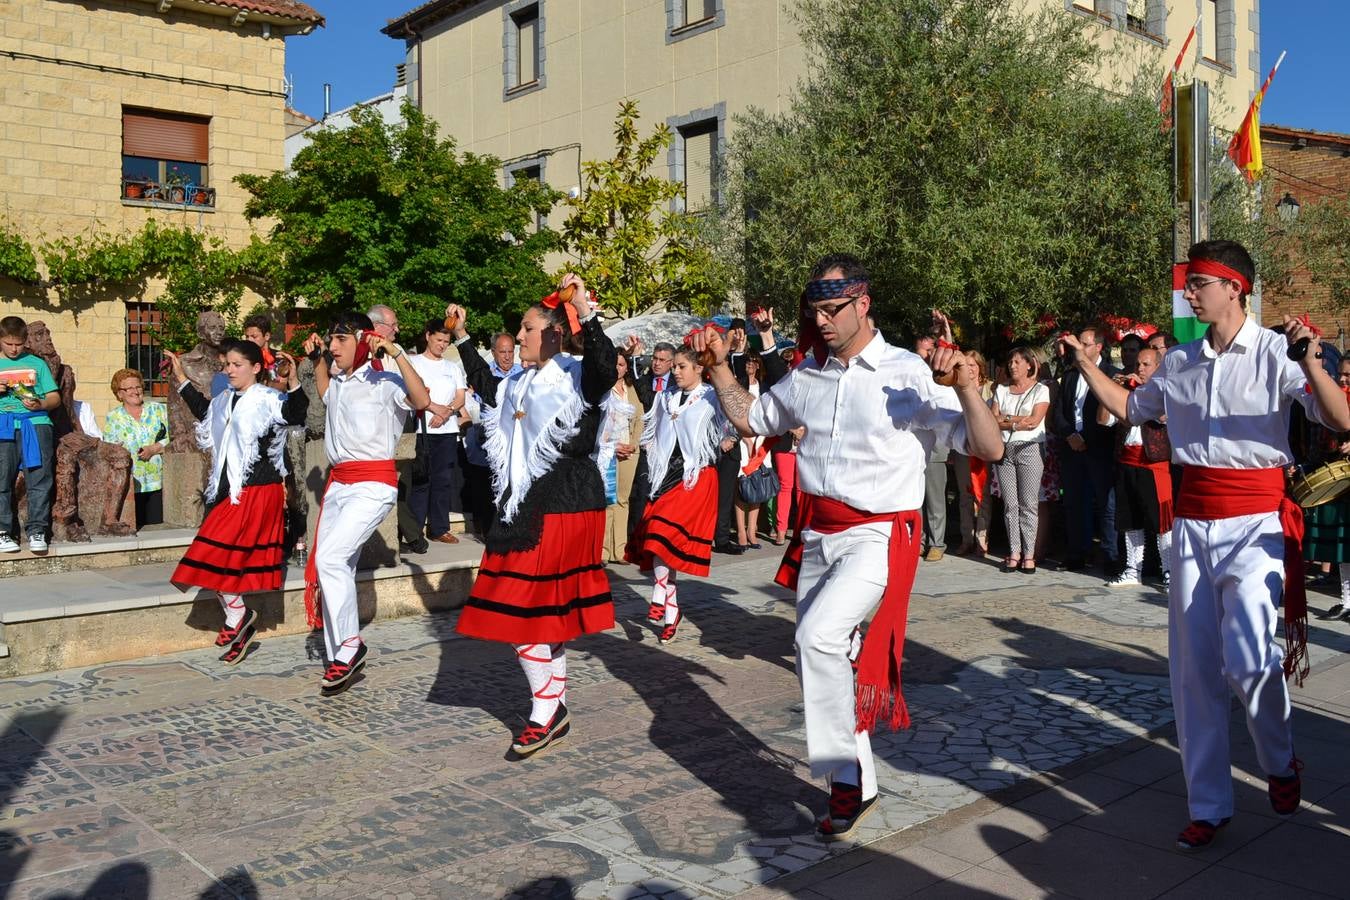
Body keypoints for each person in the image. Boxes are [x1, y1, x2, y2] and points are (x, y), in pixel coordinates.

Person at [692, 254, 1003, 840]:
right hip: (817, 535)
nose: (824, 321)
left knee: (817, 638)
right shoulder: (806, 375)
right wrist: (719, 371)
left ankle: (842, 781)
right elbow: (752, 419)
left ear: (863, 304)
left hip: (881, 534)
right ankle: (858, 776)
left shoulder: (909, 372)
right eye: (817, 310)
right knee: (824, 659)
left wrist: (965, 387)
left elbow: (988, 449)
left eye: (835, 309)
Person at [1059, 239, 1350, 851]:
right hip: (1192, 524)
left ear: (1234, 288)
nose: (1188, 292)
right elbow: (1132, 408)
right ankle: (1209, 803)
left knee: (1249, 661)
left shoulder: (1277, 352)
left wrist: (1314, 364)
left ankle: (1279, 758)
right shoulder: (1181, 360)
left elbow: (1340, 421)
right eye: (1189, 283)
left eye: (1199, 283)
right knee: (1192, 672)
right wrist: (1087, 364)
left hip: (1255, 522)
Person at [448, 277, 617, 756]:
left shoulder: (577, 373)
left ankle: (546, 711)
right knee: (539, 615)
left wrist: (584, 307)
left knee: (524, 613)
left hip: (564, 503)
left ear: (554, 334)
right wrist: (462, 338)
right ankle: (553, 706)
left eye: (526, 329)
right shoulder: (518, 381)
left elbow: (605, 365)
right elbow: (486, 385)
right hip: (524, 505)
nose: (518, 337)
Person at [301, 313, 430, 695]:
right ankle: (339, 652)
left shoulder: (385, 378)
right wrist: (317, 360)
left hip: (372, 484)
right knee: (332, 563)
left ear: (361, 339)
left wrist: (396, 353)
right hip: (340, 484)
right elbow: (325, 393)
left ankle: (349, 647)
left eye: (340, 339)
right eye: (330, 338)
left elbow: (421, 399)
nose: (333, 345)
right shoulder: (340, 381)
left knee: (330, 559)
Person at [165, 340, 307, 664]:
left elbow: (297, 413)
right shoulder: (225, 399)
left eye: (236, 364)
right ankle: (237, 619)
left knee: (211, 553)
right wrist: (180, 376)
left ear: (256, 368)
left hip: (258, 491)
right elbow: (203, 410)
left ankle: (238, 616)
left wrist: (295, 380)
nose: (229, 370)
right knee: (214, 558)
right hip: (228, 489)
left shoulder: (269, 399)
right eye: (227, 364)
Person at [627, 343, 730, 642]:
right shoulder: (666, 397)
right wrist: (634, 358)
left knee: (660, 533)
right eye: (674, 367)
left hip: (695, 475)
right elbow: (644, 393)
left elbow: (734, 414)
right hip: (666, 476)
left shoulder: (711, 397)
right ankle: (671, 614)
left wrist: (729, 436)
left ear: (699, 369)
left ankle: (659, 593)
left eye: (681, 366)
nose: (676, 371)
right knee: (662, 544)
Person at [1099, 347, 1174, 588]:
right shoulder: (1127, 391)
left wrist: (1139, 391)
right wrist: (1110, 391)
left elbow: (1162, 417)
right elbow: (1103, 419)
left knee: (1163, 521)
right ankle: (1133, 569)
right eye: (1138, 364)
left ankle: (1170, 571)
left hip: (1155, 463)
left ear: (1158, 367)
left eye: (1146, 364)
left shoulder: (1166, 389)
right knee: (1129, 520)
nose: (1139, 368)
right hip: (1127, 460)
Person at [1050, 323, 1119, 572]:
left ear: (1098, 347)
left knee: (1106, 504)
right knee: (1075, 503)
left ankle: (1110, 555)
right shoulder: (1070, 374)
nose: (1078, 346)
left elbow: (1111, 411)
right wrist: (1070, 434)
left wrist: (1086, 438)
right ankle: (1077, 553)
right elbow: (1058, 411)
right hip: (1072, 447)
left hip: (1098, 447)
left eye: (1085, 343)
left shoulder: (1110, 373)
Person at [0, 316, 60, 553]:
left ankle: (37, 530)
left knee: (39, 477)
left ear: (25, 341)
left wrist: (41, 403)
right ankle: (3, 532)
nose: (14, 349)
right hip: (3, 425)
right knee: (2, 478)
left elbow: (54, 397)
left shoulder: (37, 363)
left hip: (35, 423)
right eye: (8, 344)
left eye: (18, 344)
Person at [407, 318, 468, 547]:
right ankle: (414, 529)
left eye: (446, 341)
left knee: (442, 481)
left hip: (447, 430)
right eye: (439, 339)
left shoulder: (452, 368)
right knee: (420, 481)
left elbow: (460, 396)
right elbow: (413, 393)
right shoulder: (414, 363)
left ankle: (439, 527)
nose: (442, 345)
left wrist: (447, 412)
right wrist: (433, 408)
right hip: (423, 430)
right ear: (428, 336)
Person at [991, 347, 1051, 574]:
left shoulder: (1040, 390)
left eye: (1017, 362)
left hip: (1030, 447)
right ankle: (1014, 552)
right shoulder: (1002, 390)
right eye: (1010, 362)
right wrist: (1015, 423)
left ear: (1029, 365)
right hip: (1004, 448)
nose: (1012, 366)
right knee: (1010, 504)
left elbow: (1035, 421)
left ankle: (1029, 554)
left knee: (1028, 503)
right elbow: (993, 418)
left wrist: (1005, 419)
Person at [1308, 356, 1350, 620]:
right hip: (1342, 482)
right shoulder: (1337, 400)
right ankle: (1347, 601)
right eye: (1342, 374)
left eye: (1348, 375)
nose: (1343, 379)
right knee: (1345, 546)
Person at [103, 369, 170, 529]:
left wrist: (154, 448)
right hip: (131, 482)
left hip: (158, 481)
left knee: (157, 529)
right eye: (128, 388)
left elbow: (175, 437)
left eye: (138, 387)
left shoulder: (159, 410)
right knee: (135, 529)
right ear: (119, 394)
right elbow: (111, 447)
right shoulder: (113, 417)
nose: (135, 391)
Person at [598, 348, 643, 563]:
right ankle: (604, 550)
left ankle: (620, 549)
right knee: (608, 500)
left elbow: (640, 419)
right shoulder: (603, 390)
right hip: (608, 450)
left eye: (622, 365)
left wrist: (633, 444)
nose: (618, 368)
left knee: (623, 499)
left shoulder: (631, 389)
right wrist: (610, 445)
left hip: (629, 451)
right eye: (615, 364)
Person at [914, 316, 951, 562]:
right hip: (912, 445)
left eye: (930, 350)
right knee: (914, 497)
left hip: (937, 445)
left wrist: (945, 332)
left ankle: (937, 542)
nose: (927, 355)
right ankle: (917, 539)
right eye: (923, 350)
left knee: (935, 496)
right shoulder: (909, 371)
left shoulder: (940, 374)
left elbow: (949, 355)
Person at [951, 349, 994, 557]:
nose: (969, 368)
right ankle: (966, 538)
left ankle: (982, 539)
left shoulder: (990, 389)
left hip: (983, 449)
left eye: (973, 365)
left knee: (983, 495)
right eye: (965, 365)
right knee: (965, 494)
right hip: (962, 447)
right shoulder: (956, 389)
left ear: (980, 368)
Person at [735, 351, 771, 550]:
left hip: (761, 441)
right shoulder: (738, 384)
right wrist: (745, 439)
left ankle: (752, 531)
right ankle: (741, 531)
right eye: (747, 361)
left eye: (753, 361)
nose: (750, 364)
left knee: (757, 485)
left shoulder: (764, 387)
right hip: (742, 440)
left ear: (758, 365)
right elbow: (734, 413)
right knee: (741, 486)